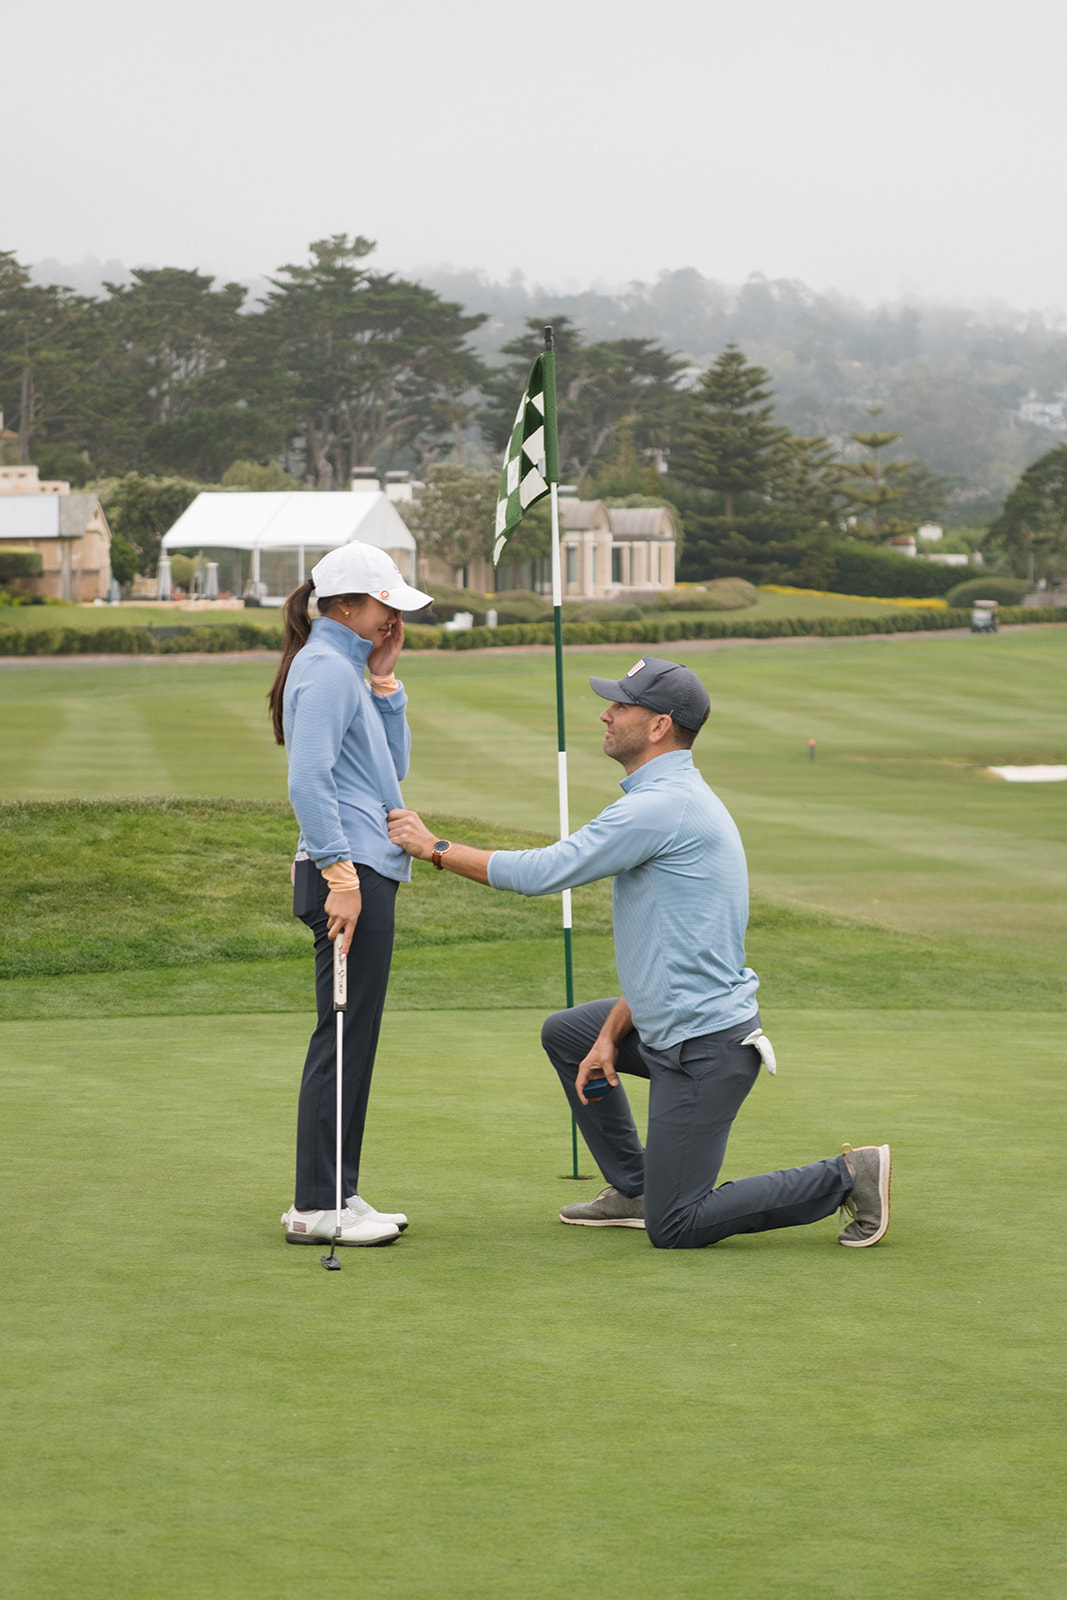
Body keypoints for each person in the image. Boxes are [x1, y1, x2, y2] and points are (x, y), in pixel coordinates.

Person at [387, 656, 891, 1251]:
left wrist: (434, 847)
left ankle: (847, 1177)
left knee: (678, 1226)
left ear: (658, 726)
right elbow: (666, 954)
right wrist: (607, 1037)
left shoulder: (660, 805)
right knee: (571, 1034)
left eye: (621, 706)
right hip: (671, 1028)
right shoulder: (671, 796)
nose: (606, 713)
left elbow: (544, 872)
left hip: (705, 1051)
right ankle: (636, 1186)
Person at [267, 541, 432, 1249]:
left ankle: (338, 1187)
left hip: (365, 868)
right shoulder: (326, 671)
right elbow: (306, 782)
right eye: (383, 602)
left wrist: (385, 682)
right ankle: (314, 1204)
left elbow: (386, 770)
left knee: (354, 1036)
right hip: (351, 873)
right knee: (340, 1036)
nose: (392, 615)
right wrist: (340, 876)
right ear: (344, 606)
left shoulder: (344, 669)